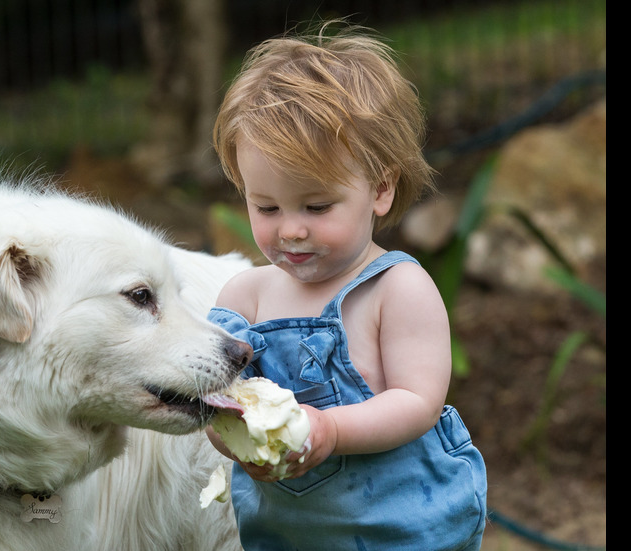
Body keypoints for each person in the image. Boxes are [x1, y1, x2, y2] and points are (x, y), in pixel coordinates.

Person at [205, 22, 488, 550]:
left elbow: (418, 400)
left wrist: (330, 431)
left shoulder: (397, 288)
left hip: (404, 526)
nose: (290, 228)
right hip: (286, 533)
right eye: (266, 207)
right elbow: (216, 404)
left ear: (380, 188)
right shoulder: (244, 298)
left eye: (316, 207)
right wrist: (237, 438)